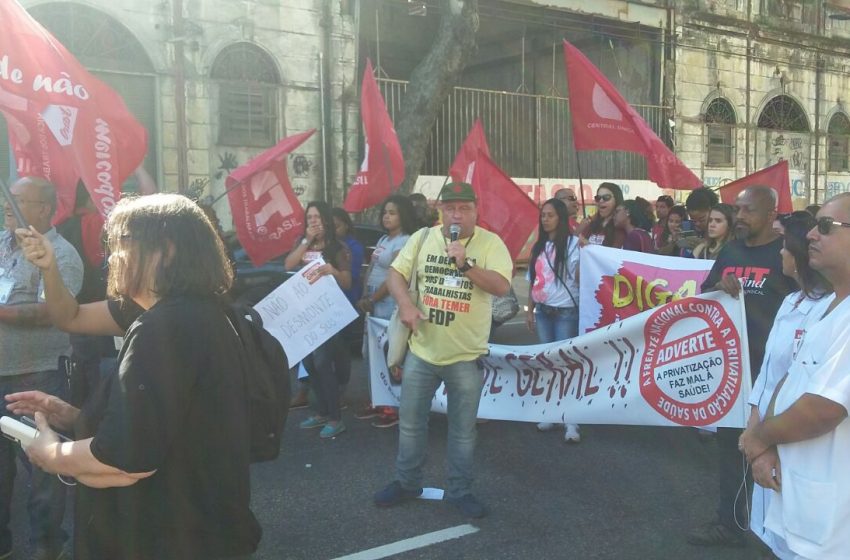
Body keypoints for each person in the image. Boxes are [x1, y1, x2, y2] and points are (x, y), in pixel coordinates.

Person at [7, 193, 261, 559]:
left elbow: (123, 461)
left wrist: (51, 453)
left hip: (168, 538)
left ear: (167, 250)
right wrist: (78, 417)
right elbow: (161, 423)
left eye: (121, 242)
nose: (111, 256)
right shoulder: (195, 311)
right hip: (206, 529)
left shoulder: (163, 326)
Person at [373, 181, 512, 519]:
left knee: (463, 431)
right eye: (451, 208)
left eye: (464, 208)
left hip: (465, 357)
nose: (457, 214)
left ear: (476, 211)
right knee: (410, 424)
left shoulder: (491, 243)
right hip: (422, 352)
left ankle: (460, 490)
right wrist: (405, 304)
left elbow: (501, 286)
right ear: (440, 211)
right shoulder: (424, 238)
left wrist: (465, 265)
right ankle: (407, 482)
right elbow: (394, 274)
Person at [738, 193, 850, 559]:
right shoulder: (829, 308)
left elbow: (822, 408)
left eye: (827, 227)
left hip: (830, 520)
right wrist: (765, 441)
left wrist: (759, 438)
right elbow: (787, 378)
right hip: (799, 497)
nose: (812, 236)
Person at [689, 186, 797, 548]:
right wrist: (719, 285)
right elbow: (704, 295)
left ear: (771, 215)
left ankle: (776, 534)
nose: (740, 216)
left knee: (775, 453)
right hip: (733, 373)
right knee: (731, 454)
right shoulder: (731, 251)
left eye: (748, 210)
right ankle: (732, 523)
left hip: (775, 377)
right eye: (737, 209)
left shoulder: (784, 255)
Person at [0, 177, 83, 560]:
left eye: (16, 200)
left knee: (42, 468)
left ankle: (47, 548)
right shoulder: (2, 243)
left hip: (38, 375)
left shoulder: (61, 254)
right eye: (6, 198)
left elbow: (49, 312)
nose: (6, 206)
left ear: (45, 209)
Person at [285, 201, 352, 438]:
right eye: (309, 217)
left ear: (325, 220)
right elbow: (289, 264)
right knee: (311, 364)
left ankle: (335, 418)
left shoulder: (336, 247)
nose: (313, 221)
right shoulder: (302, 244)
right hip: (306, 313)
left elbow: (348, 281)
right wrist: (305, 241)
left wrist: (333, 271)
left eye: (317, 217)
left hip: (327, 313)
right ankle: (321, 412)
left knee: (323, 362)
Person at [355, 195, 417, 428]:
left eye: (392, 212)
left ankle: (394, 406)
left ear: (403, 216)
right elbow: (371, 268)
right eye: (384, 212)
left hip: (389, 304)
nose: (386, 216)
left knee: (391, 353)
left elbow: (396, 275)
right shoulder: (383, 238)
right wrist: (365, 296)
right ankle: (378, 400)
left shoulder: (406, 241)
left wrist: (373, 298)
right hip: (373, 304)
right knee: (371, 352)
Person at [525, 198, 581, 442]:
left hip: (565, 313)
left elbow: (581, 275)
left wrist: (587, 249)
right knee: (548, 365)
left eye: (550, 215)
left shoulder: (573, 244)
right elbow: (532, 279)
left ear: (560, 217)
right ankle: (551, 413)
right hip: (544, 313)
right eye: (543, 215)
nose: (545, 219)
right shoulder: (538, 247)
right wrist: (530, 309)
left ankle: (572, 422)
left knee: (566, 367)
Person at [578, 182, 624, 248]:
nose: (601, 201)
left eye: (606, 197)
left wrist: (590, 246)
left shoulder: (620, 226)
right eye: (598, 198)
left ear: (617, 200)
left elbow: (615, 254)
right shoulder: (591, 224)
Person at [681, 187, 720, 257]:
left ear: (712, 210)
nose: (697, 224)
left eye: (702, 219)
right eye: (693, 220)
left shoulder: (722, 235)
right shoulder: (690, 229)